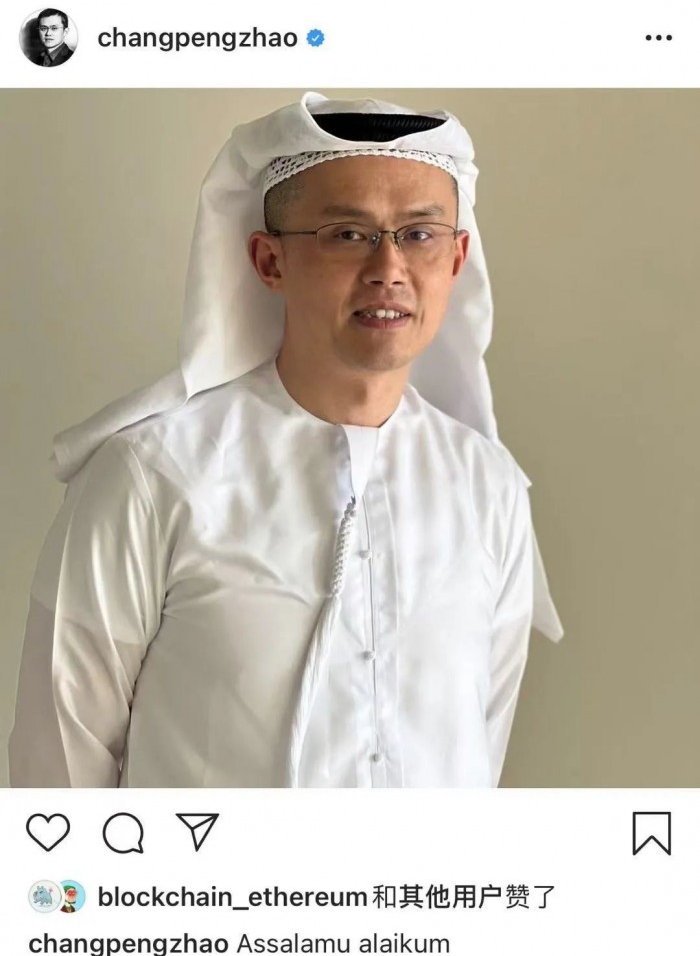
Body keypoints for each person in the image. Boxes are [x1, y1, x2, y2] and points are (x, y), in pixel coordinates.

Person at [9, 92, 562, 789]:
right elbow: (56, 775)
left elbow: (479, 756)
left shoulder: (489, 486)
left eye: (419, 234)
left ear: (456, 259)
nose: (389, 268)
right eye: (348, 234)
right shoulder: (150, 477)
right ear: (269, 261)